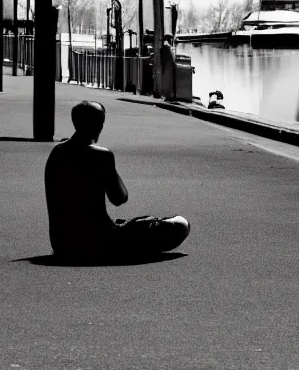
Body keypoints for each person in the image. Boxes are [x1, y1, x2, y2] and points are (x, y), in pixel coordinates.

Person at [45, 101, 190, 260]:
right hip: (100, 241)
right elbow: (119, 198)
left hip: (62, 244)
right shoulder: (102, 155)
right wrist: (108, 168)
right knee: (180, 224)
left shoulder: (56, 152)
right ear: (98, 124)